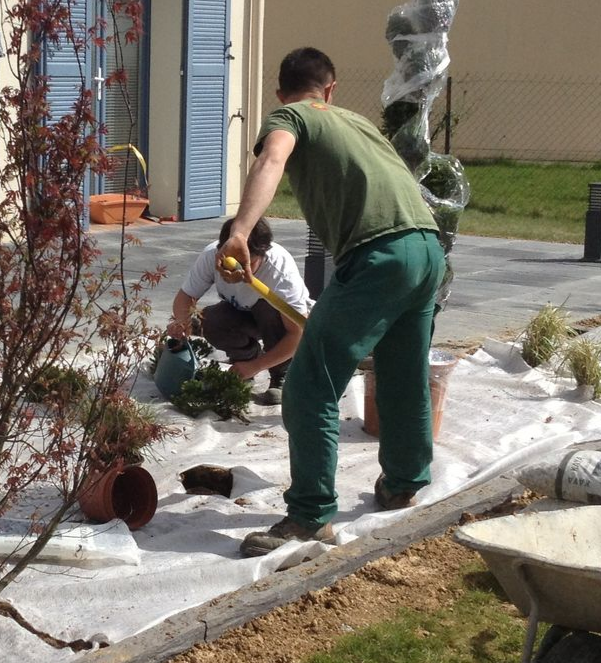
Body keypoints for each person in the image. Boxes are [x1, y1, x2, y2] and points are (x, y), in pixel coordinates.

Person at [218, 47, 444, 556]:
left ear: (281, 93)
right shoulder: (357, 122)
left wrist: (241, 230)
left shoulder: (290, 116)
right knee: (403, 371)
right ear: (332, 89)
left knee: (309, 382)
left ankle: (309, 514)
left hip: (379, 256)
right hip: (427, 249)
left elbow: (273, 155)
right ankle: (404, 482)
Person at [168, 217, 311, 405]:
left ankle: (282, 374)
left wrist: (257, 366)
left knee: (268, 308)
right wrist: (182, 320)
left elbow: (297, 334)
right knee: (211, 320)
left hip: (277, 321)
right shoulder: (211, 256)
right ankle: (244, 361)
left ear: (262, 253)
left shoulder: (280, 272)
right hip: (242, 314)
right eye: (231, 263)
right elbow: (184, 298)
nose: (237, 272)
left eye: (247, 264)